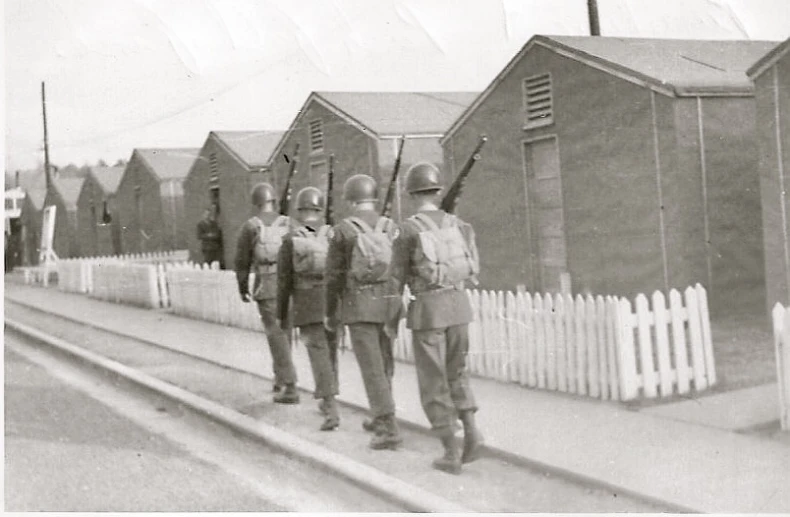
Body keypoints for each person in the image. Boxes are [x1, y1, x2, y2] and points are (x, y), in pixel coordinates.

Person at [390, 162, 483, 475]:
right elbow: (473, 263)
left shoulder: (408, 229)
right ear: (437, 190)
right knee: (457, 372)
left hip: (429, 311)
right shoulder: (459, 225)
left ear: (412, 193)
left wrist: (392, 319)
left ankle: (449, 452)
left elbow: (395, 279)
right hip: (459, 306)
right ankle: (471, 430)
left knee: (433, 381)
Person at [325, 174, 403, 450]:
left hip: (358, 306)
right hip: (388, 303)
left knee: (371, 369)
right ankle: (380, 414)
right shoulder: (390, 227)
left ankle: (387, 426)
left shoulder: (342, 230)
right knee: (384, 364)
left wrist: (330, 311)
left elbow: (333, 277)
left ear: (350, 199)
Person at [277, 186, 339, 431]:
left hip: (307, 303)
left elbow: (284, 282)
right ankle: (329, 401)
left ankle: (330, 405)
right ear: (319, 210)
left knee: (318, 355)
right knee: (331, 351)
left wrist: (283, 314)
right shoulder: (333, 234)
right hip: (332, 303)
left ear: (300, 211)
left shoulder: (291, 239)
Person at [234, 182, 299, 404]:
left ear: (256, 202)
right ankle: (281, 378)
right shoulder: (288, 223)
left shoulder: (250, 227)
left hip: (267, 285)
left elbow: (242, 262)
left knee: (275, 335)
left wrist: (242, 287)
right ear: (273, 201)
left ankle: (289, 385)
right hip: (290, 284)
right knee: (285, 333)